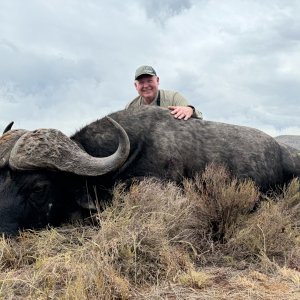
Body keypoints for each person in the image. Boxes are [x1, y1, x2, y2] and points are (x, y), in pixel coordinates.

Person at [126, 65, 203, 120]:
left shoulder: (173, 98)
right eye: (141, 82)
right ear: (136, 86)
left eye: (150, 81)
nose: (146, 86)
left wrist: (190, 110)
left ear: (157, 81)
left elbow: (200, 117)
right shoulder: (130, 107)